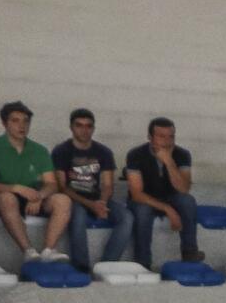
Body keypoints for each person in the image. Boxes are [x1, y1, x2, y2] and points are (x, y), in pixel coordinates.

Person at [0, 101, 71, 264]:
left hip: (33, 195)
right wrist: (17, 188)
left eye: (26, 121)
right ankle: (28, 250)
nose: (22, 125)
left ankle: (48, 250)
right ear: (4, 123)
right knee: (7, 198)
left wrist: (39, 196)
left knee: (63, 200)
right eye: (15, 120)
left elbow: (52, 184)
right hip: (1, 196)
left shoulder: (39, 150)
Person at [52, 108, 127, 270]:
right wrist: (91, 205)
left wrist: (102, 202)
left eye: (88, 126)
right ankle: (81, 267)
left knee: (127, 217)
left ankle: (108, 264)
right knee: (78, 214)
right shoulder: (61, 151)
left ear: (93, 128)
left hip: (96, 198)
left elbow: (107, 185)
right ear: (71, 127)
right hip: (73, 198)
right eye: (79, 125)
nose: (84, 130)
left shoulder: (103, 152)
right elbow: (62, 187)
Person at [123, 117, 202, 269]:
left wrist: (169, 162)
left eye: (171, 136)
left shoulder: (182, 154)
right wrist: (168, 209)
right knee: (142, 211)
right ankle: (143, 263)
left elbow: (184, 189)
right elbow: (137, 194)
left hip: (170, 196)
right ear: (150, 137)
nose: (167, 141)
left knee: (188, 201)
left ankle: (189, 252)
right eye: (161, 136)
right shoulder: (135, 154)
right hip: (144, 199)